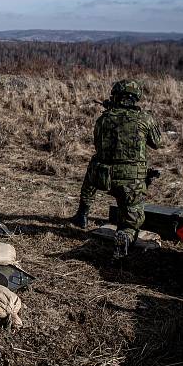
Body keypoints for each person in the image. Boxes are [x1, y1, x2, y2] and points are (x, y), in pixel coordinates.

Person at [73, 80, 162, 260]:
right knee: (132, 219)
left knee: (94, 163)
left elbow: (98, 145)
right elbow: (157, 143)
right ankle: (125, 235)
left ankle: (83, 211)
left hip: (103, 178)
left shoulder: (103, 119)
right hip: (132, 181)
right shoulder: (145, 118)